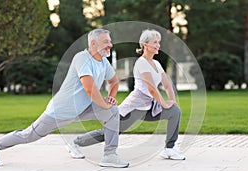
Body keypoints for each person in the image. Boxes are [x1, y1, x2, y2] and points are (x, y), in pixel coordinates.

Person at [0, 29, 129, 168]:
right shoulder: (82, 59)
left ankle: (110, 155)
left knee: (113, 111)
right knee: (28, 135)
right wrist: (103, 104)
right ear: (93, 44)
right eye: (106, 41)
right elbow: (90, 89)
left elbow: (114, 81)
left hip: (84, 108)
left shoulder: (103, 62)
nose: (110, 44)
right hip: (60, 111)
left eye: (110, 41)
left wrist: (110, 99)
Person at [68, 29, 185, 160]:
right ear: (145, 45)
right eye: (155, 42)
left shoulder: (156, 64)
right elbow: (151, 88)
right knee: (110, 132)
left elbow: (167, 84)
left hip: (149, 107)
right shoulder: (141, 63)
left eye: (159, 42)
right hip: (134, 108)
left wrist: (172, 101)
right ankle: (76, 142)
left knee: (175, 111)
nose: (158, 45)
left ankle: (169, 149)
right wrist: (164, 103)